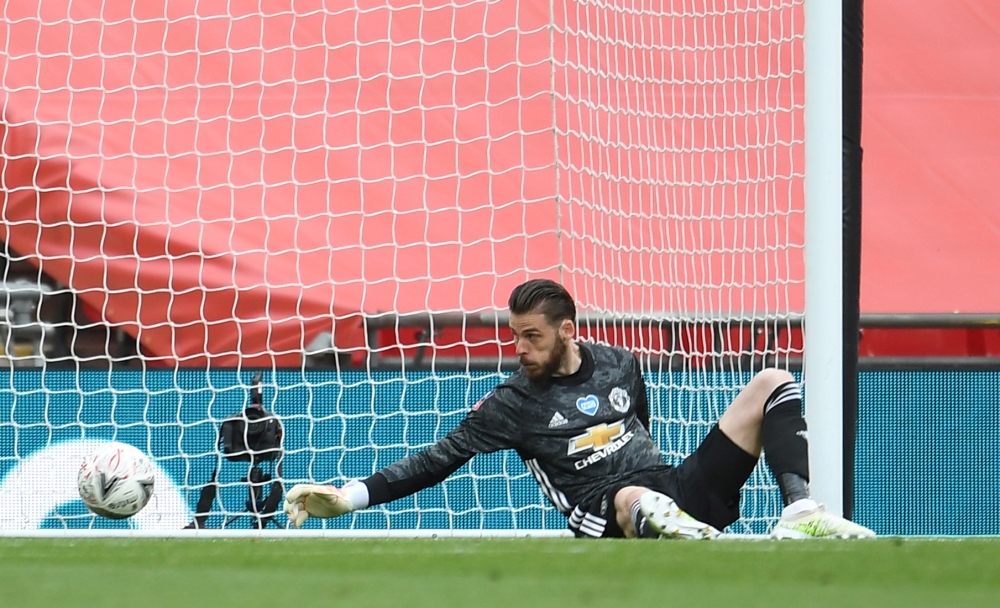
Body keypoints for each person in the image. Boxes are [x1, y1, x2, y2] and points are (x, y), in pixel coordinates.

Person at [284, 279, 875, 539]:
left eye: (531, 337)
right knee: (629, 498)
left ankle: (800, 510)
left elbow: (638, 422)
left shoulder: (621, 363)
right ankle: (687, 541)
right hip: (605, 512)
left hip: (671, 486)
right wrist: (348, 497)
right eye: (514, 336)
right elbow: (437, 460)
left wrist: (671, 489)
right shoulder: (512, 402)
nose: (519, 349)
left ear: (567, 330)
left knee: (771, 381)